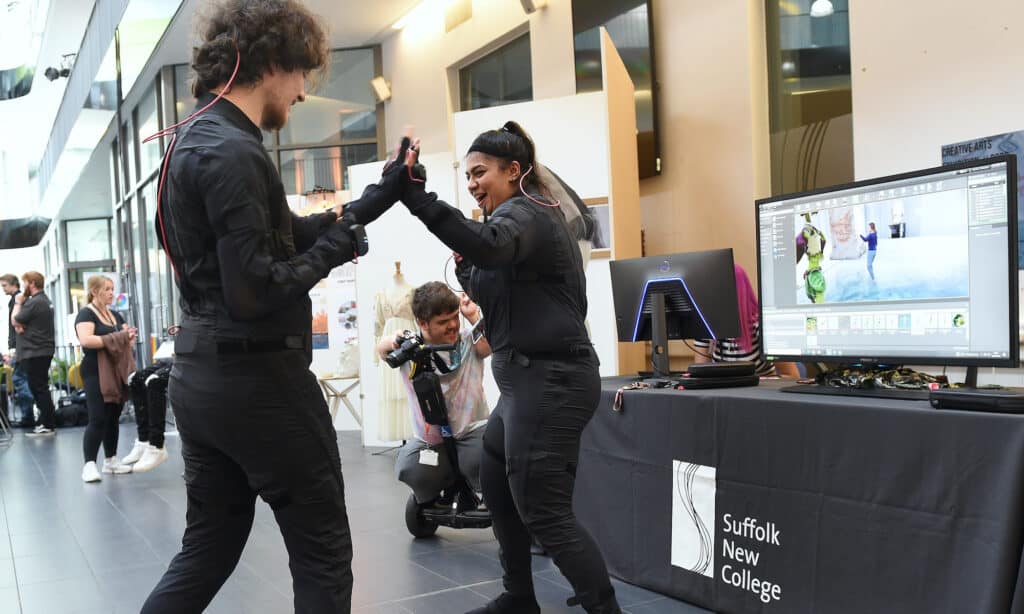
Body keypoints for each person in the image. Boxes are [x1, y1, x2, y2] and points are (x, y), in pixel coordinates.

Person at [140, 2, 411, 611]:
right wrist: (340, 249)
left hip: (202, 378)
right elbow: (255, 292)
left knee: (208, 547)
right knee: (323, 551)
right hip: (260, 381)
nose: (302, 91)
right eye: (300, 74)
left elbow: (287, 234)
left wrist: (378, 197)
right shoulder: (235, 153)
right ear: (268, 62)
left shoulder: (196, 141)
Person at [398, 121, 623, 614]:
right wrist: (466, 268)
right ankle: (519, 597)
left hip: (551, 381)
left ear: (513, 170)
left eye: (480, 173)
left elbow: (491, 246)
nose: (473, 183)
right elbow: (498, 291)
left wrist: (418, 199)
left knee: (544, 511)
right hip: (525, 382)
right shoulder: (514, 221)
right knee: (498, 486)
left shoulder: (528, 211)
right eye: (468, 176)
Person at [377, 282, 491, 507]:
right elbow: (381, 349)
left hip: (472, 431)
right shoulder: (410, 351)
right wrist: (396, 339)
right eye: (443, 321)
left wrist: (472, 315)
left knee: (488, 459)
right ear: (422, 323)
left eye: (455, 317)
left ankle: (492, 497)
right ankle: (431, 500)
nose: (452, 325)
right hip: (431, 440)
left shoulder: (468, 341)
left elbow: (487, 347)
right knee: (409, 468)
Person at [75, 275, 138, 483]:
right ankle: (89, 465)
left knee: (113, 416)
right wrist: (119, 337)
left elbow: (125, 339)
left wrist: (128, 337)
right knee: (98, 417)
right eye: (107, 289)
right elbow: (86, 340)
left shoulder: (115, 315)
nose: (112, 293)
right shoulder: (86, 314)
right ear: (94, 291)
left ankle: (110, 460)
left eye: (112, 289)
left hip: (115, 371)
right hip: (95, 370)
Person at [692, 264, 799, 377]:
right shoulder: (707, 325)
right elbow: (701, 375)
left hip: (760, 386)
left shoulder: (761, 325)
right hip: (725, 388)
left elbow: (791, 375)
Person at [11, 271, 56, 437]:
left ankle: (47, 424)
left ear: (32, 283)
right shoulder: (44, 301)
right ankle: (46, 422)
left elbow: (15, 320)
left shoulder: (34, 302)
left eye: (25, 282)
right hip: (42, 350)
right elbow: (22, 324)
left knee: (39, 388)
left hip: (35, 351)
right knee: (40, 386)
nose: (23, 286)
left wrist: (18, 303)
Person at [1, 274, 33, 427]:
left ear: (13, 284)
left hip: (21, 346)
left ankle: (28, 416)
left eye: (4, 285)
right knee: (22, 378)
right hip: (21, 346)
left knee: (19, 379)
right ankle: (28, 415)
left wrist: (14, 346)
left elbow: (17, 323)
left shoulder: (18, 300)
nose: (3, 289)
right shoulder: (16, 300)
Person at [796, 212, 827, 303]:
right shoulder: (815, 252)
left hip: (812, 272)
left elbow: (823, 239)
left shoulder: (813, 251)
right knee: (818, 293)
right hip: (813, 272)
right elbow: (823, 239)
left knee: (816, 293)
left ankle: (807, 216)